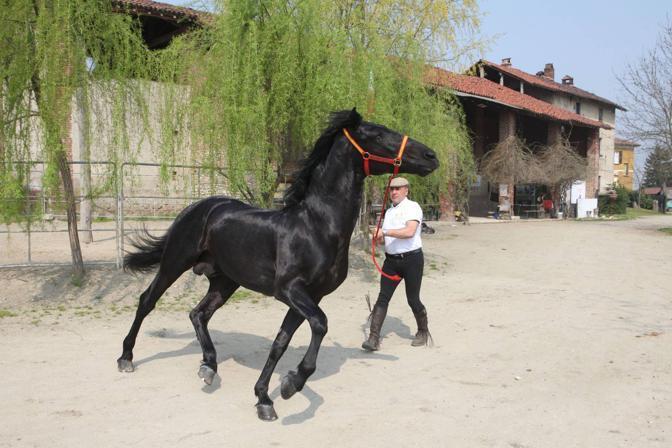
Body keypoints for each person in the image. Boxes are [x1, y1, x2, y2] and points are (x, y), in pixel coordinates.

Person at [362, 176, 430, 351]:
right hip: (391, 262)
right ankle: (373, 338)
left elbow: (409, 232)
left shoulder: (413, 207)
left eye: (398, 188)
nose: (394, 192)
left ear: (406, 190)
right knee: (383, 298)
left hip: (412, 260)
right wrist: (380, 240)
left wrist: (385, 232)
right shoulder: (389, 211)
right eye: (391, 189)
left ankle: (423, 332)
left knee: (413, 299)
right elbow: (390, 238)